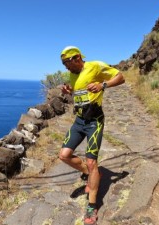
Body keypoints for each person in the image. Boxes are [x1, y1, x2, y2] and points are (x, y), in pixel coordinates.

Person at [59, 46, 125, 225]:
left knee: (91, 161)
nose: (66, 67)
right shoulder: (73, 73)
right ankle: (90, 174)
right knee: (64, 155)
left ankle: (92, 206)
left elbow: (121, 77)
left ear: (77, 57)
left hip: (94, 121)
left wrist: (102, 85)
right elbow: (79, 89)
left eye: (67, 63)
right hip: (79, 120)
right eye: (63, 64)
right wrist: (69, 91)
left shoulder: (95, 66)